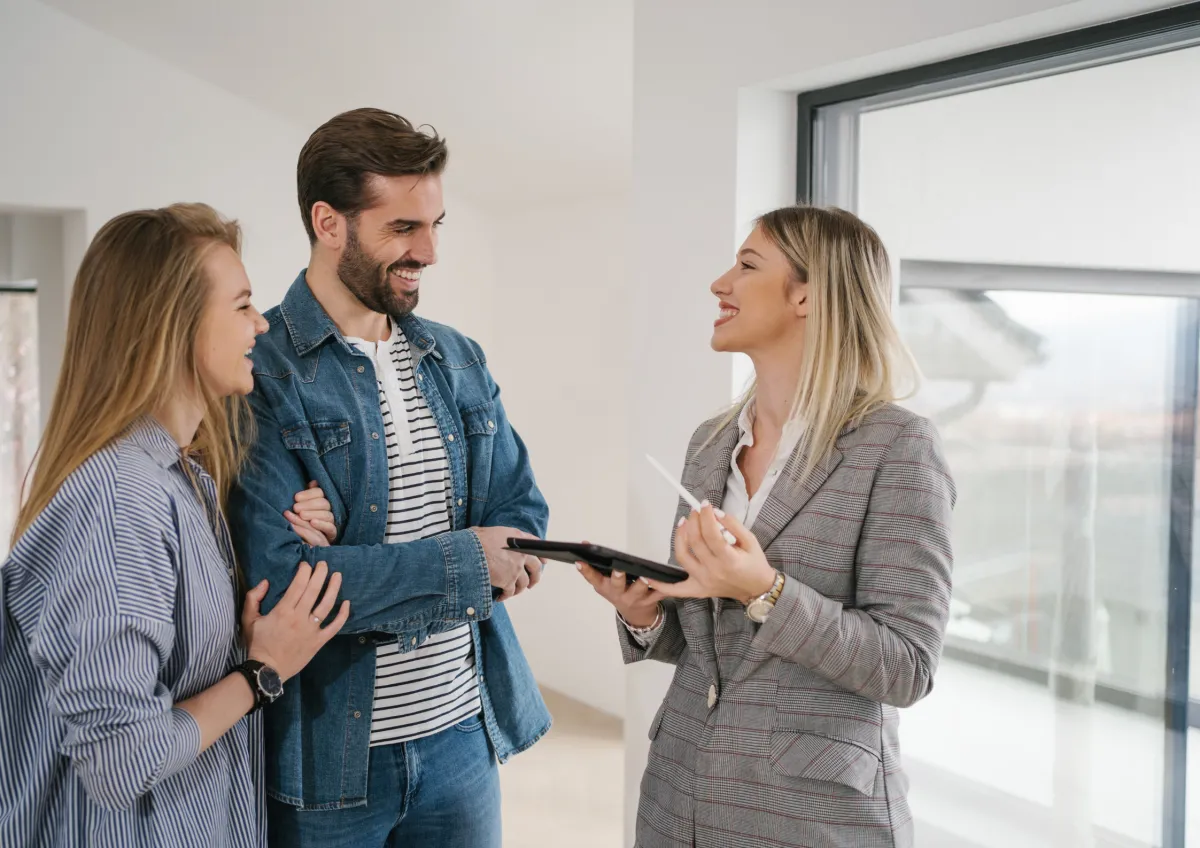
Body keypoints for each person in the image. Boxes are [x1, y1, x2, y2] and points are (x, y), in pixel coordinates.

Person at [580, 205, 956, 848]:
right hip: (678, 800)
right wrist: (645, 614)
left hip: (808, 817)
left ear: (808, 293)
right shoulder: (711, 443)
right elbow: (709, 646)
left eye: (747, 265)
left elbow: (906, 666)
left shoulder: (897, 447)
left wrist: (766, 591)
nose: (719, 283)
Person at [226, 108, 550, 848]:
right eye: (403, 227)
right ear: (328, 221)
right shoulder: (261, 370)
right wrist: (470, 560)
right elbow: (282, 587)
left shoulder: (457, 357)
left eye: (436, 224)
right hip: (330, 763)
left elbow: (524, 518)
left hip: (463, 737)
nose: (429, 251)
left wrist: (354, 565)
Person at [0, 204, 349, 848]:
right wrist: (261, 673)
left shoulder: (182, 477)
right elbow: (121, 758)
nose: (262, 323)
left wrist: (240, 641)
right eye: (242, 305)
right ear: (176, 325)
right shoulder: (119, 498)